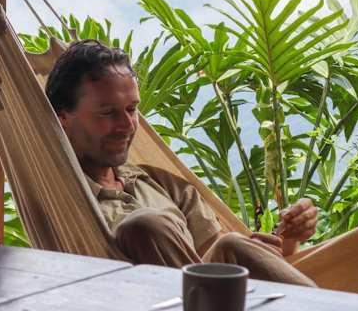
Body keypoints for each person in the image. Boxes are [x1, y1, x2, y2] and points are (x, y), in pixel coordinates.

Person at [46, 39, 317, 286]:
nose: (127, 125)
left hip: (224, 301)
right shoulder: (57, 197)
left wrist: (289, 240)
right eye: (108, 112)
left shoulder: (161, 184)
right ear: (62, 118)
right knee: (144, 226)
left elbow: (218, 262)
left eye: (132, 109)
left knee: (232, 245)